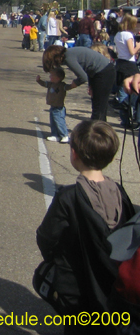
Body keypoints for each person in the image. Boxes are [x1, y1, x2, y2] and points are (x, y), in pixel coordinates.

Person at [36, 120, 135, 327]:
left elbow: (47, 236)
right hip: (112, 281)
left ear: (74, 154)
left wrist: (56, 260)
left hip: (77, 284)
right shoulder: (120, 193)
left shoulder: (68, 197)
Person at [42, 45, 116, 122]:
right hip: (98, 72)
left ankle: (96, 130)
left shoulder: (68, 58)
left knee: (99, 107)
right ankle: (100, 129)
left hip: (105, 72)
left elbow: (83, 77)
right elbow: (89, 67)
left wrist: (74, 84)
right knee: (98, 105)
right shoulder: (69, 53)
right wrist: (91, 86)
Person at [114, 14, 139, 128]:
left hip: (120, 62)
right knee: (129, 90)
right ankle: (127, 115)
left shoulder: (118, 34)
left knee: (122, 89)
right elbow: (132, 52)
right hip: (129, 64)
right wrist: (138, 46)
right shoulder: (128, 35)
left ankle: (125, 119)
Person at [36, 68, 74, 143]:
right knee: (53, 122)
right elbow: (44, 84)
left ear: (58, 78)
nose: (50, 77)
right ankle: (55, 135)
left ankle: (64, 135)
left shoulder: (62, 85)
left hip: (59, 108)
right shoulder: (50, 84)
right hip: (53, 106)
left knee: (59, 121)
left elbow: (69, 87)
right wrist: (39, 80)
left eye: (51, 75)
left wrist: (73, 84)